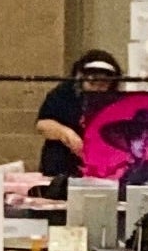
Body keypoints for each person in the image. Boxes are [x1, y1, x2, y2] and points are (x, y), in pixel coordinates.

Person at [32, 48, 121, 179]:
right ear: (80, 77)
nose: (97, 88)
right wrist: (66, 133)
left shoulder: (115, 100)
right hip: (61, 167)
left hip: (100, 170)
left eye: (103, 84)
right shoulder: (64, 93)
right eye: (92, 83)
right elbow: (43, 124)